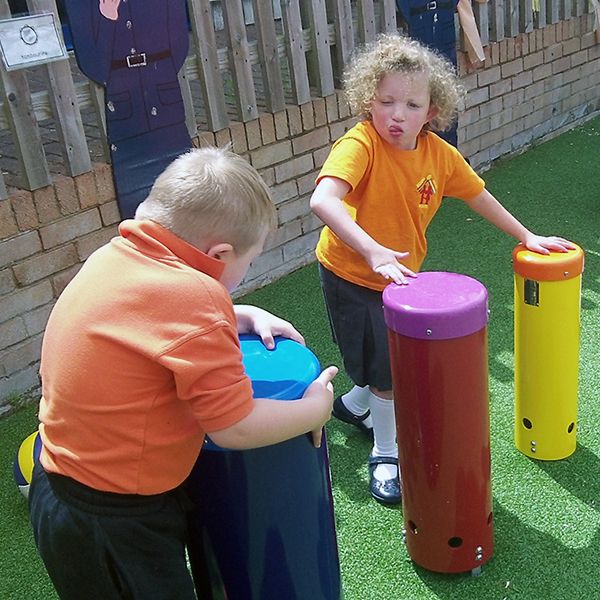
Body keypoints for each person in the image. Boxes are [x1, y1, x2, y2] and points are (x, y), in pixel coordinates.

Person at [29, 146, 338, 600]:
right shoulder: (196, 298)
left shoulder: (115, 255)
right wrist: (314, 409)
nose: (243, 274)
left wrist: (238, 313)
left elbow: (147, 320)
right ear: (220, 253)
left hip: (65, 490)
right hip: (114, 518)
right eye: (247, 264)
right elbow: (235, 426)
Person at [310, 34, 574, 505]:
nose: (396, 114)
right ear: (366, 99)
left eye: (411, 104)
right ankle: (386, 452)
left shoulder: (438, 154)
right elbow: (323, 200)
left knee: (383, 362)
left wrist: (525, 235)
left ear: (432, 111)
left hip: (398, 277)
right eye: (385, 100)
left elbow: (477, 194)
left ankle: (353, 405)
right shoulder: (361, 144)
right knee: (386, 371)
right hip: (352, 273)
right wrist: (372, 250)